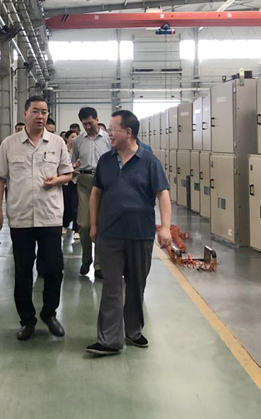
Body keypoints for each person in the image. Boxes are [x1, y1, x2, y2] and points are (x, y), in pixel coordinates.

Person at [86, 110, 172, 356]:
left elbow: (162, 193)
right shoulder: (106, 160)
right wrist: (93, 225)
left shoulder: (149, 161)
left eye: (113, 129)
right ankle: (109, 340)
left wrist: (165, 227)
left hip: (140, 234)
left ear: (128, 132)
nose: (109, 133)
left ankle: (133, 330)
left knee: (136, 285)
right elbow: (96, 193)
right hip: (109, 233)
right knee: (111, 287)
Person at [0, 96, 73, 341]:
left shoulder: (57, 143)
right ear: (25, 113)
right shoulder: (9, 144)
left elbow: (68, 174)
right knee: (23, 272)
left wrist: (56, 180)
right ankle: (27, 320)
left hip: (50, 217)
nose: (41, 116)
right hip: (21, 218)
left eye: (44, 112)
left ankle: (49, 313)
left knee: (54, 270)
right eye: (36, 111)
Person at [71, 107, 111, 279]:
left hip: (105, 183)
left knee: (102, 224)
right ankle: (86, 258)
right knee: (84, 224)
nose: (87, 127)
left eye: (90, 123)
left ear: (97, 119)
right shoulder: (78, 141)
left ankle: (100, 264)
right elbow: (73, 162)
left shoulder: (109, 139)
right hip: (85, 182)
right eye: (84, 124)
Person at [62, 131, 79, 236]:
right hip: (65, 181)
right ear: (67, 138)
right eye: (72, 137)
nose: (75, 139)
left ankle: (76, 229)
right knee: (66, 204)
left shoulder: (79, 150)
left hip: (76, 180)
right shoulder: (63, 150)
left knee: (76, 205)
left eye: (76, 137)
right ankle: (64, 224)